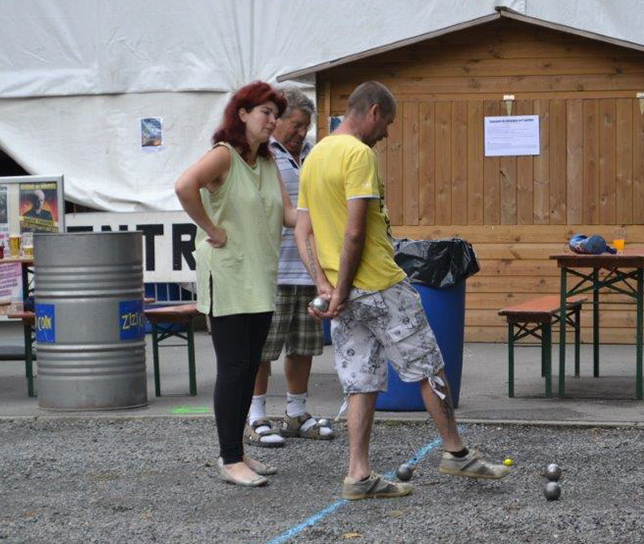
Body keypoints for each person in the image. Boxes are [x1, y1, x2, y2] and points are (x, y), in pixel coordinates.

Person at [295, 81, 509, 500]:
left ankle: (358, 475)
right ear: (373, 111)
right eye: (387, 123)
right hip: (379, 284)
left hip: (343, 294)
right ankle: (456, 452)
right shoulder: (358, 154)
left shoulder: (316, 154)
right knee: (429, 366)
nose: (387, 134)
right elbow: (355, 232)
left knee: (361, 381)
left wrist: (326, 286)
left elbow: (304, 229)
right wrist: (339, 288)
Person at [175, 81, 297, 487]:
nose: (272, 120)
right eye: (265, 112)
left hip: (259, 277)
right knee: (234, 368)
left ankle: (239, 451)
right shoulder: (223, 156)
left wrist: (338, 211)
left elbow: (290, 215)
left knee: (249, 369)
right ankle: (229, 459)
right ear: (242, 114)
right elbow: (183, 186)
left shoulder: (268, 162)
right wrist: (209, 227)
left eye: (275, 114)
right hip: (227, 276)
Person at [245, 86, 334, 447]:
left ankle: (296, 413)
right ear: (277, 120)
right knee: (262, 347)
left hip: (311, 266)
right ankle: (254, 416)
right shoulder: (260, 155)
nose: (301, 133)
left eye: (306, 127)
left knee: (303, 345)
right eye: (295, 125)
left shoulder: (314, 154)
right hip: (272, 266)